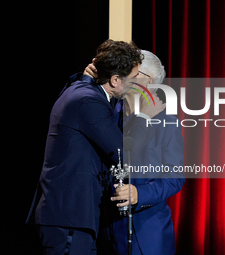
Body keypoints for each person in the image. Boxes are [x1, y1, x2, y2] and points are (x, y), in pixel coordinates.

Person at [26, 40, 162, 255]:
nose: (138, 83)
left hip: (70, 216)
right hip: (69, 217)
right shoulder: (88, 101)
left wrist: (89, 78)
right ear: (115, 79)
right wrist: (145, 113)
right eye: (134, 77)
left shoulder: (82, 89)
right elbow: (124, 153)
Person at [84, 50, 185, 255]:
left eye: (133, 72)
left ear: (150, 82)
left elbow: (175, 177)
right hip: (105, 230)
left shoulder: (166, 122)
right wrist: (86, 80)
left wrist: (140, 193)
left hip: (147, 234)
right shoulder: (106, 115)